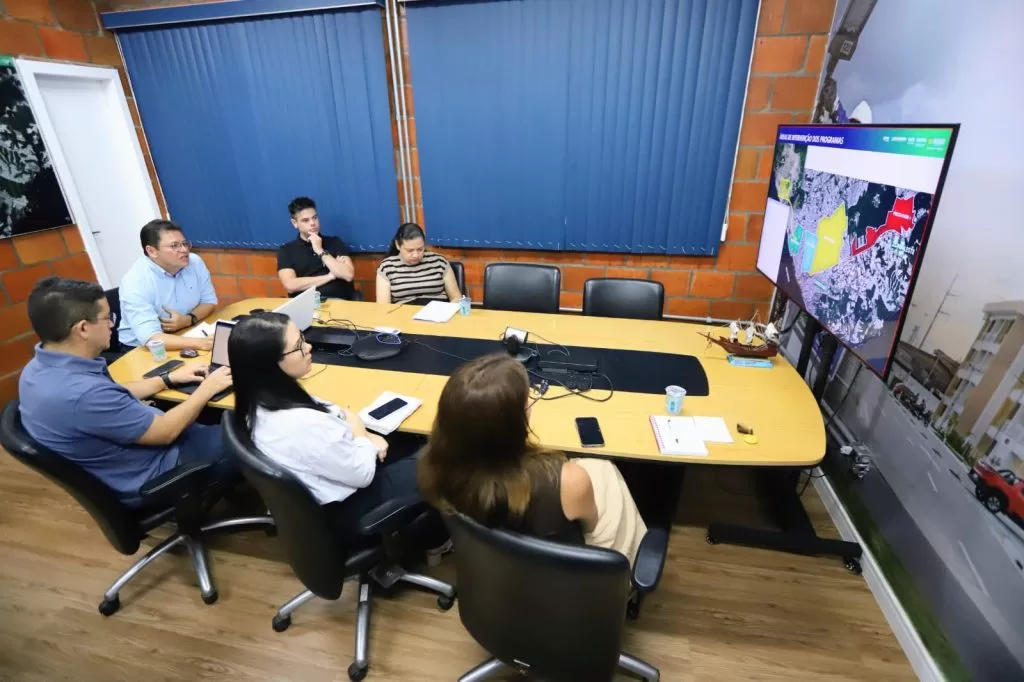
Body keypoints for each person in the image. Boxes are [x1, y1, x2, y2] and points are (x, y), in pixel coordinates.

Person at [229, 312, 440, 550]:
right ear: (271, 364)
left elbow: (335, 411)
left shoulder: (260, 400)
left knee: (404, 442)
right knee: (441, 460)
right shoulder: (301, 424)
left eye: (303, 338)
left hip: (326, 489)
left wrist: (365, 434)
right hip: (348, 513)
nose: (308, 347)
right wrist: (362, 436)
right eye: (298, 346)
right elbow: (362, 474)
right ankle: (436, 537)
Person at [19, 277, 236, 507]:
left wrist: (167, 379)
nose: (112, 325)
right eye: (107, 318)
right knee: (248, 434)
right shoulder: (84, 394)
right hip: (159, 471)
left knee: (217, 417)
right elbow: (166, 432)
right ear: (83, 329)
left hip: (127, 459)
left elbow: (114, 393)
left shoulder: (38, 370)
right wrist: (207, 388)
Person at [418, 353, 646, 562]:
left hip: (494, 569)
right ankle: (629, 572)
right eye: (526, 402)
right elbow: (592, 526)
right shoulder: (567, 481)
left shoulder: (434, 466)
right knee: (605, 470)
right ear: (511, 426)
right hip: (563, 577)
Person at [118, 219, 217, 352]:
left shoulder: (194, 262)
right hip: (141, 349)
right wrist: (200, 343)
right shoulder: (135, 282)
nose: (184, 250)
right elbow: (151, 339)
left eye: (184, 244)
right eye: (174, 246)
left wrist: (187, 320)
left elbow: (209, 302)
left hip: (187, 331)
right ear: (152, 251)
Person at [277, 196, 356, 300]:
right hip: (307, 304)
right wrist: (330, 276)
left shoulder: (334, 242)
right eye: (306, 220)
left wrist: (320, 251)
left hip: (339, 301)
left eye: (315, 217)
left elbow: (348, 275)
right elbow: (290, 285)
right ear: (295, 223)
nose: (313, 223)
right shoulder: (287, 250)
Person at [376, 223, 461, 304]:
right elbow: (383, 306)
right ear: (398, 245)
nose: (416, 255)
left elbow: (457, 298)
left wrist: (447, 310)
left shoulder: (439, 262)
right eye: (410, 250)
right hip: (404, 312)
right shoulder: (387, 267)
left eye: (420, 249)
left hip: (439, 311)